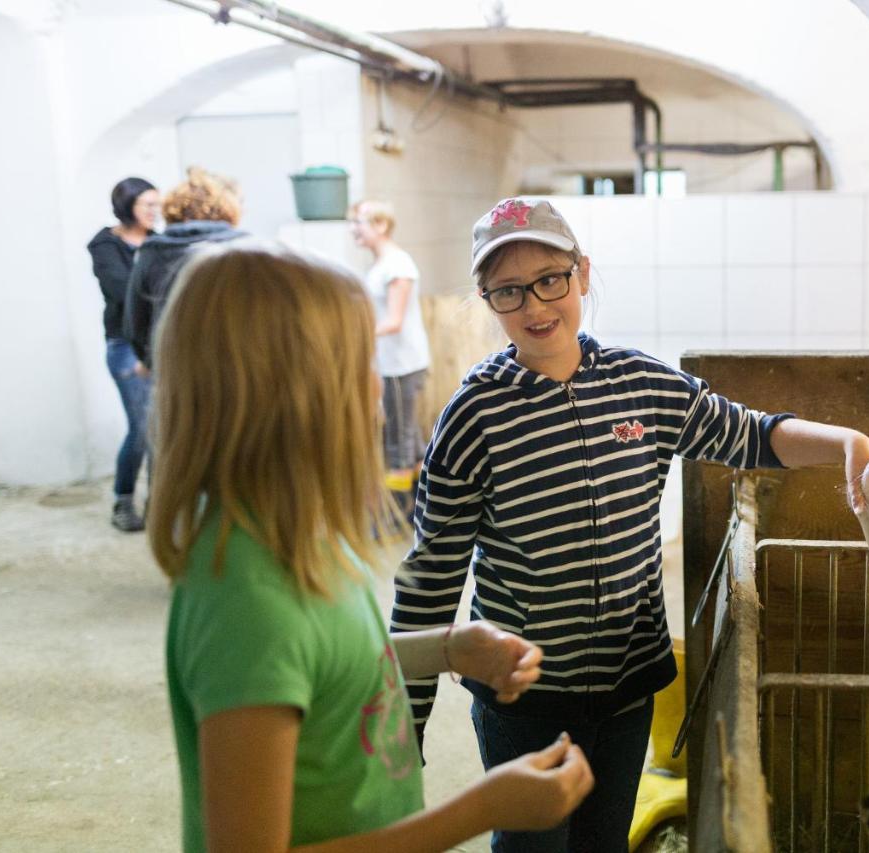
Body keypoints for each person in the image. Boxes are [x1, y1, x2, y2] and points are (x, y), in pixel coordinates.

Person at [392, 198, 869, 852]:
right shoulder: (474, 414)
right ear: (488, 298)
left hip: (626, 686)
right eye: (509, 291)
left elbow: (750, 434)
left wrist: (847, 440)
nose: (535, 306)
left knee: (604, 840)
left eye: (550, 279)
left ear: (582, 274)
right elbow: (432, 572)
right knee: (533, 843)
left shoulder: (640, 384)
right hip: (524, 696)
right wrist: (405, 723)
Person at [150, 240, 593, 853]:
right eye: (361, 363)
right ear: (296, 398)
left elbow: (329, 662)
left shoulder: (298, 536)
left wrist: (445, 647)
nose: (378, 389)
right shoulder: (246, 603)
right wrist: (479, 811)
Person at [87, 177, 160, 531]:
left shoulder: (159, 243)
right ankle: (124, 500)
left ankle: (160, 505)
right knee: (143, 427)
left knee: (163, 429)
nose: (154, 212)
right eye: (147, 205)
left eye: (156, 205)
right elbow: (120, 290)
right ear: (126, 206)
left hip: (160, 345)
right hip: (125, 346)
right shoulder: (105, 245)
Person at [123, 166, 244, 369]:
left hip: (177, 372)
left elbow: (136, 324)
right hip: (241, 370)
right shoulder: (247, 250)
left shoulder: (153, 253)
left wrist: (153, 364)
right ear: (228, 208)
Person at [349, 200, 432, 493]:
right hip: (390, 363)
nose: (353, 229)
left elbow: (394, 321)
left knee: (400, 441)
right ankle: (429, 500)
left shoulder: (398, 265)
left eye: (358, 222)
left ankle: (398, 513)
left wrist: (351, 334)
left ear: (381, 225)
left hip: (402, 364)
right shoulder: (382, 265)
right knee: (411, 441)